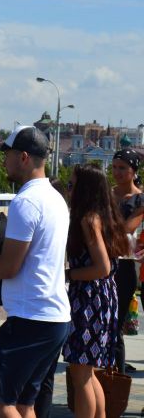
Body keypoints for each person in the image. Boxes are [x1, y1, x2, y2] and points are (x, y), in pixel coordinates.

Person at [0, 125, 71, 418]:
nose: (2, 160)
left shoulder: (26, 201)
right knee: (23, 404)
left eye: (6, 154)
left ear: (23, 157)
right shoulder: (55, 198)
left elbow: (10, 266)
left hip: (31, 318)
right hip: (53, 316)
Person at [63, 163, 127, 418]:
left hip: (89, 300)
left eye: (71, 184)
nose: (68, 189)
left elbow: (101, 267)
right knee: (88, 374)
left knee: (80, 375)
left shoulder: (88, 220)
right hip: (101, 298)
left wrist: (67, 275)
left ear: (85, 189)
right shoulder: (104, 217)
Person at [111, 148, 143, 374]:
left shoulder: (140, 198)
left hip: (124, 265)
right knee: (103, 323)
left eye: (122, 168)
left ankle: (117, 377)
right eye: (114, 167)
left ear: (133, 171)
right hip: (102, 261)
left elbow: (128, 229)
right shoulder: (106, 193)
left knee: (116, 325)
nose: (117, 172)